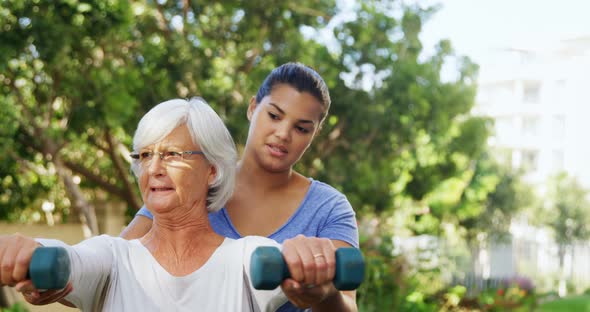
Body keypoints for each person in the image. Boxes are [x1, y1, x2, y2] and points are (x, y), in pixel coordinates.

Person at [0, 98, 341, 311]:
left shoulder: (247, 258)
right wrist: (33, 253)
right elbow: (71, 260)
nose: (154, 168)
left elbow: (289, 267)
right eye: (145, 155)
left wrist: (307, 262)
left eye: (172, 155)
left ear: (212, 170)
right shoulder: (113, 259)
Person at [123, 62, 360, 311]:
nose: (283, 133)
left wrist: (326, 297)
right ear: (252, 108)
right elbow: (115, 266)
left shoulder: (329, 208)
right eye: (274, 116)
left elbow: (347, 304)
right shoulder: (193, 182)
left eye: (301, 128)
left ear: (314, 134)